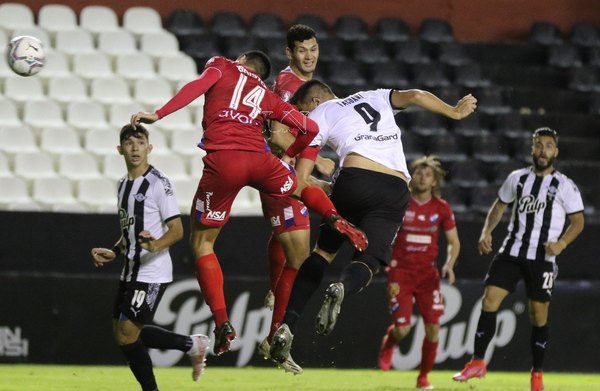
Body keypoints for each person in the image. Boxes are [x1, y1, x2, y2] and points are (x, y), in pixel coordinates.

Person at [130, 51, 367, 358]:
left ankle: (222, 322)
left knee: (202, 243)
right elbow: (308, 130)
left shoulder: (221, 65)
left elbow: (199, 85)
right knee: (298, 185)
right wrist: (290, 154)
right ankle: (334, 216)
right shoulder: (265, 94)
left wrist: (158, 114)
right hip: (260, 160)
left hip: (225, 161)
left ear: (241, 60)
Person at [269, 80, 477, 366]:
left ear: (315, 102)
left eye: (303, 111)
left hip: (352, 180)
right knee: (370, 259)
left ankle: (287, 324)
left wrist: (324, 186)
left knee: (323, 253)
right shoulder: (373, 95)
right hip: (393, 188)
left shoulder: (320, 114)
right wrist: (454, 112)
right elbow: (416, 94)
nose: (302, 119)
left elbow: (301, 180)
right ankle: (344, 288)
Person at [452, 127, 584, 391]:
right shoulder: (517, 178)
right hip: (512, 251)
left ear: (555, 152)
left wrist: (561, 243)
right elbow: (500, 205)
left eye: (548, 146)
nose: (543, 150)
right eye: (538, 144)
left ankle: (536, 374)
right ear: (532, 149)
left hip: (543, 257)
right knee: (489, 300)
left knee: (538, 316)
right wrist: (486, 231)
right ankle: (478, 361)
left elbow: (578, 221)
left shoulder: (564, 185)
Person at [91, 124, 210, 391]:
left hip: (151, 271)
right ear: (119, 149)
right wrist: (115, 251)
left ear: (149, 148)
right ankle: (192, 344)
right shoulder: (123, 185)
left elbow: (177, 230)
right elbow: (129, 232)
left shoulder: (158, 183)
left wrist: (154, 246)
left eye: (140, 142)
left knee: (126, 335)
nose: (135, 147)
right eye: (129, 142)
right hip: (130, 269)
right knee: (123, 333)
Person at [257, 24, 323, 375]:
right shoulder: (289, 87)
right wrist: (314, 167)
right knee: (299, 258)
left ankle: (272, 292)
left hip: (282, 173)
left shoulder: (295, 84)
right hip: (282, 176)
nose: (309, 55)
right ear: (289, 53)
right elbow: (278, 133)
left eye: (313, 48)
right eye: (302, 50)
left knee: (289, 248)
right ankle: (275, 338)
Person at [377, 155, 460, 390]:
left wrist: (449, 263)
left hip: (427, 276)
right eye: (419, 173)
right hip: (400, 273)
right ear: (412, 176)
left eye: (427, 175)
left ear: (434, 181)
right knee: (403, 329)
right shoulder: (401, 202)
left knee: (433, 327)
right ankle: (390, 342)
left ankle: (423, 378)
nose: (422, 178)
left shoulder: (442, 208)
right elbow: (383, 230)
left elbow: (454, 241)